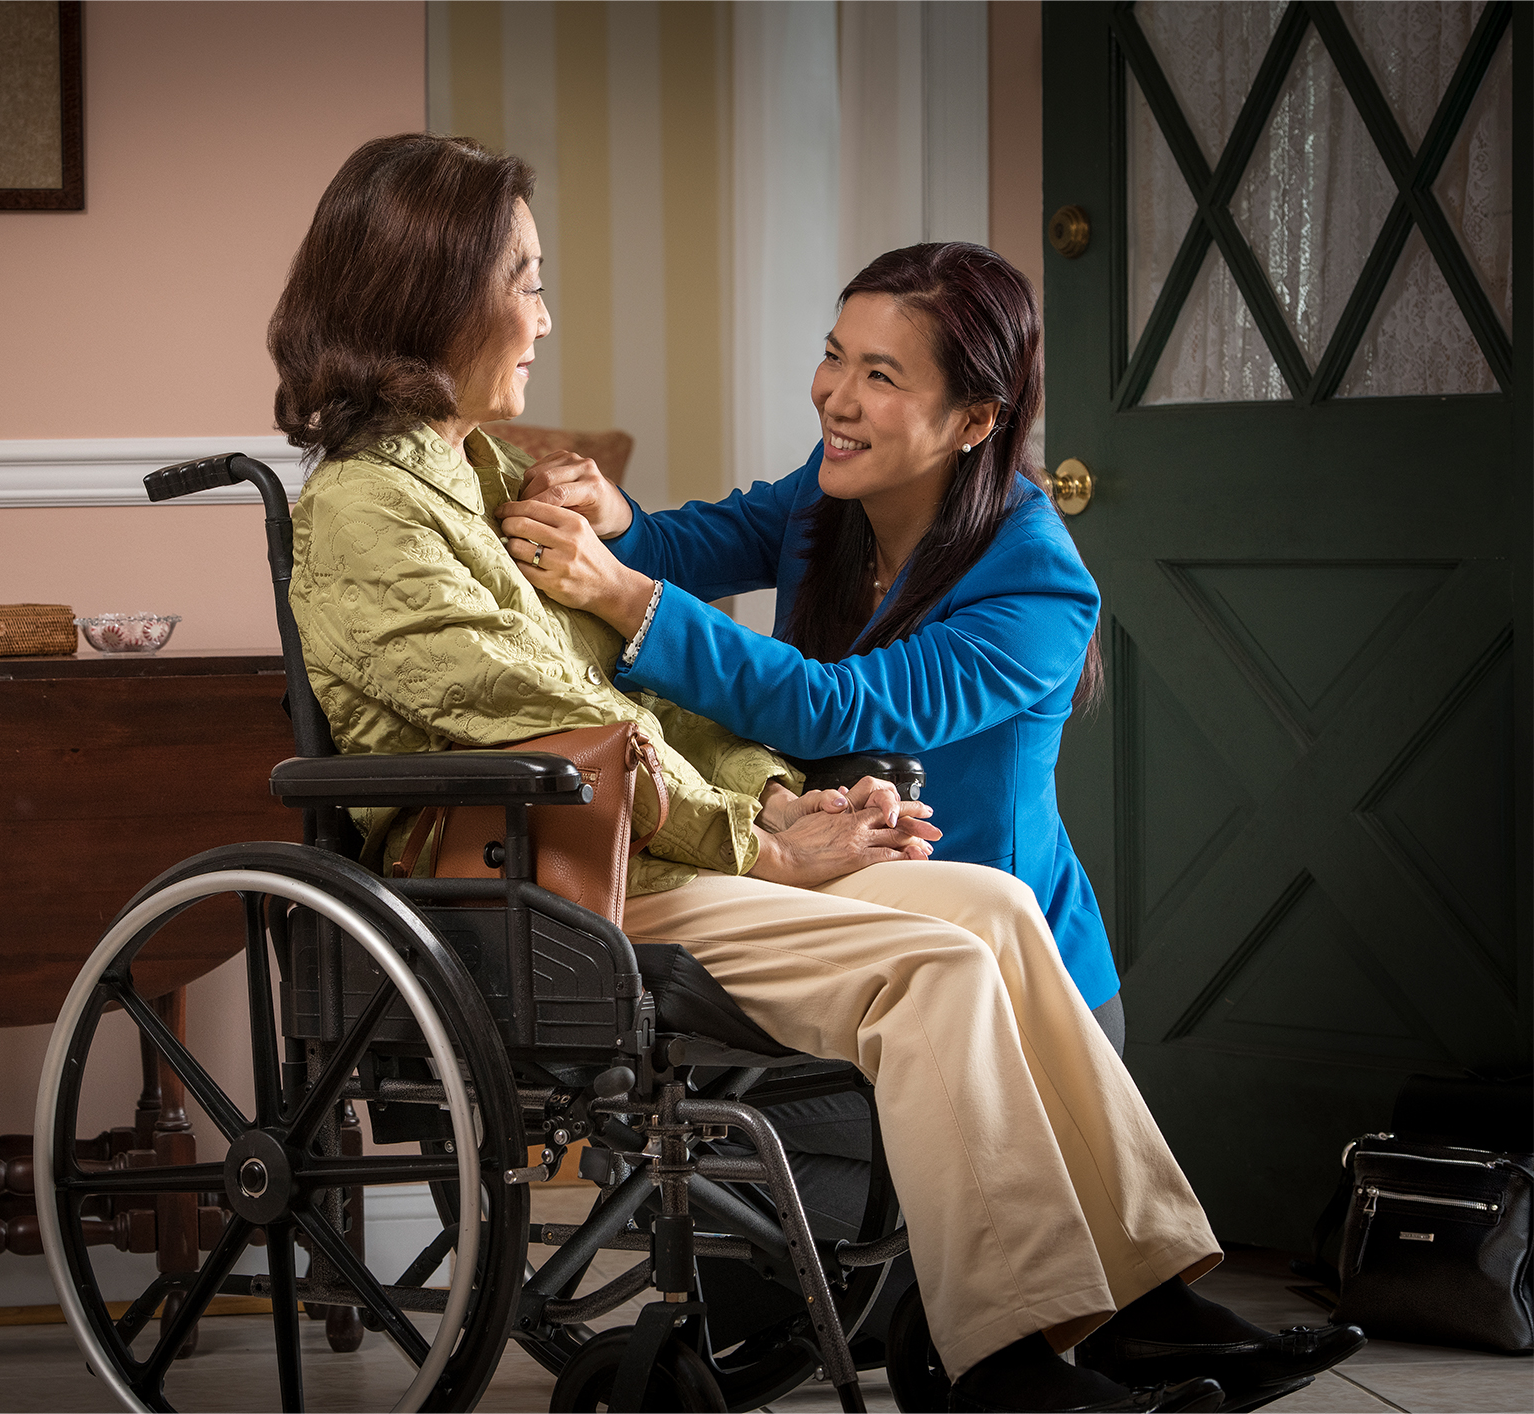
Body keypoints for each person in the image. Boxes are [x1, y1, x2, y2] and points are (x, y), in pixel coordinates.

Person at [272, 132, 1362, 1413]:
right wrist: (763, 814)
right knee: (941, 957)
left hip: (645, 839)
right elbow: (566, 708)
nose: (545, 315)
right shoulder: (373, 507)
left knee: (997, 908)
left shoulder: (1026, 571)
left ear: (971, 421)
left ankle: (1137, 1302)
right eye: (526, 279)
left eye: (879, 374)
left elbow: (694, 685)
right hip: (551, 868)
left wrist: (779, 805)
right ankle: (1000, 1367)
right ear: (434, 292)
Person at [500, 241, 1127, 1048]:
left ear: (975, 420)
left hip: (1016, 980)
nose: (836, 398)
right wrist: (614, 515)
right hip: (866, 947)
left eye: (881, 376)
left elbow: (835, 709)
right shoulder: (831, 490)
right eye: (835, 357)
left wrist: (623, 596)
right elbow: (685, 545)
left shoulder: (1039, 586)